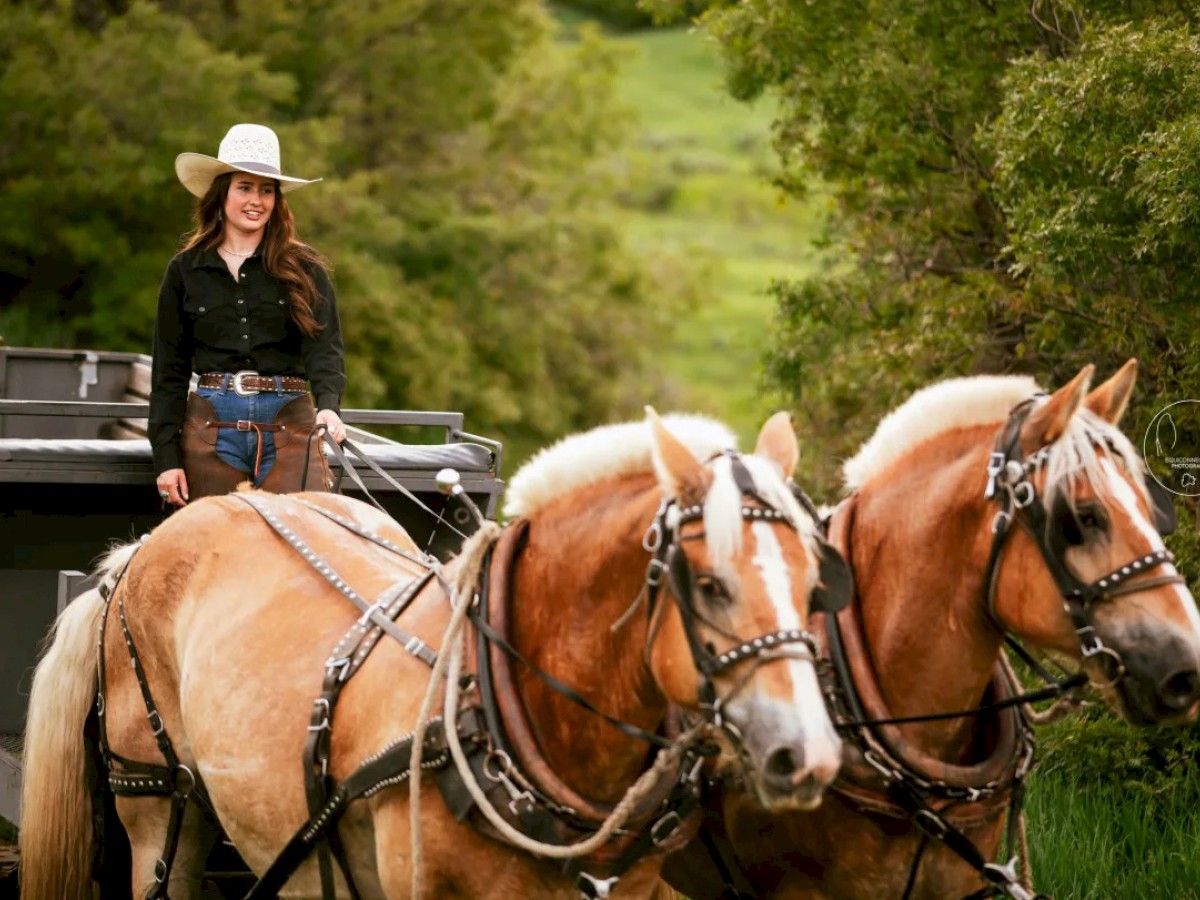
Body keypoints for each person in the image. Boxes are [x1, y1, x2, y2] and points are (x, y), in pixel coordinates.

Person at [149, 123, 346, 507]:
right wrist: (166, 459)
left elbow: (326, 348)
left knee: (302, 534)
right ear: (222, 194)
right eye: (245, 187)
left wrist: (328, 407)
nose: (256, 200)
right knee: (215, 545)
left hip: (290, 419)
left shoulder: (305, 268)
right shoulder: (185, 270)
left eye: (266, 189)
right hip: (210, 422)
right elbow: (168, 372)